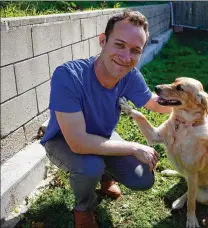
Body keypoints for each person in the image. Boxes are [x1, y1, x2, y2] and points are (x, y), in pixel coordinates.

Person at [40, 10, 172, 228]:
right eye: (119, 45)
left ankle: (105, 177)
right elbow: (78, 142)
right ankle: (84, 207)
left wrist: (189, 106)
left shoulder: (128, 75)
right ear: (103, 40)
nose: (126, 57)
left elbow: (154, 103)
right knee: (90, 166)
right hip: (64, 141)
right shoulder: (68, 76)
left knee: (143, 178)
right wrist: (132, 147)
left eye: (135, 50)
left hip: (102, 135)